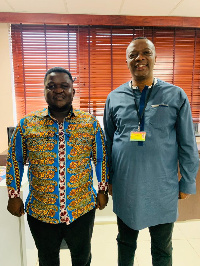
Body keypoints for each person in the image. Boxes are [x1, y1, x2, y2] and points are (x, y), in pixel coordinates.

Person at [103, 37, 199, 266]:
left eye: (146, 52)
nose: (140, 58)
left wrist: (187, 182)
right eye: (133, 55)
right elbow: (106, 143)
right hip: (126, 187)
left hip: (162, 188)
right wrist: (107, 180)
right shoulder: (114, 97)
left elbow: (188, 144)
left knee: (162, 248)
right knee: (125, 243)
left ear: (155, 58)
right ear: (126, 61)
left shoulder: (176, 96)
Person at [6, 67, 109, 266]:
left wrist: (102, 189)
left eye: (64, 86)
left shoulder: (90, 124)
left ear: (73, 91)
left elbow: (101, 159)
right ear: (44, 91)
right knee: (47, 259)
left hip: (81, 209)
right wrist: (14, 194)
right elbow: (15, 160)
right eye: (51, 86)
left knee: (82, 258)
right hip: (41, 210)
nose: (58, 90)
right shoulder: (26, 125)